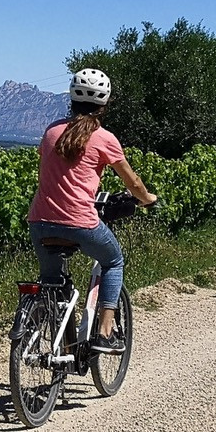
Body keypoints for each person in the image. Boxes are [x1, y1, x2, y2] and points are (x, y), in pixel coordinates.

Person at [27, 68, 157, 354]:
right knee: (113, 261)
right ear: (105, 103)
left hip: (39, 221)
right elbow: (132, 182)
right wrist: (147, 199)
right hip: (79, 222)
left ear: (71, 98)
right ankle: (105, 332)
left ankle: (43, 337)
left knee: (51, 282)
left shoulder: (51, 131)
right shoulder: (104, 138)